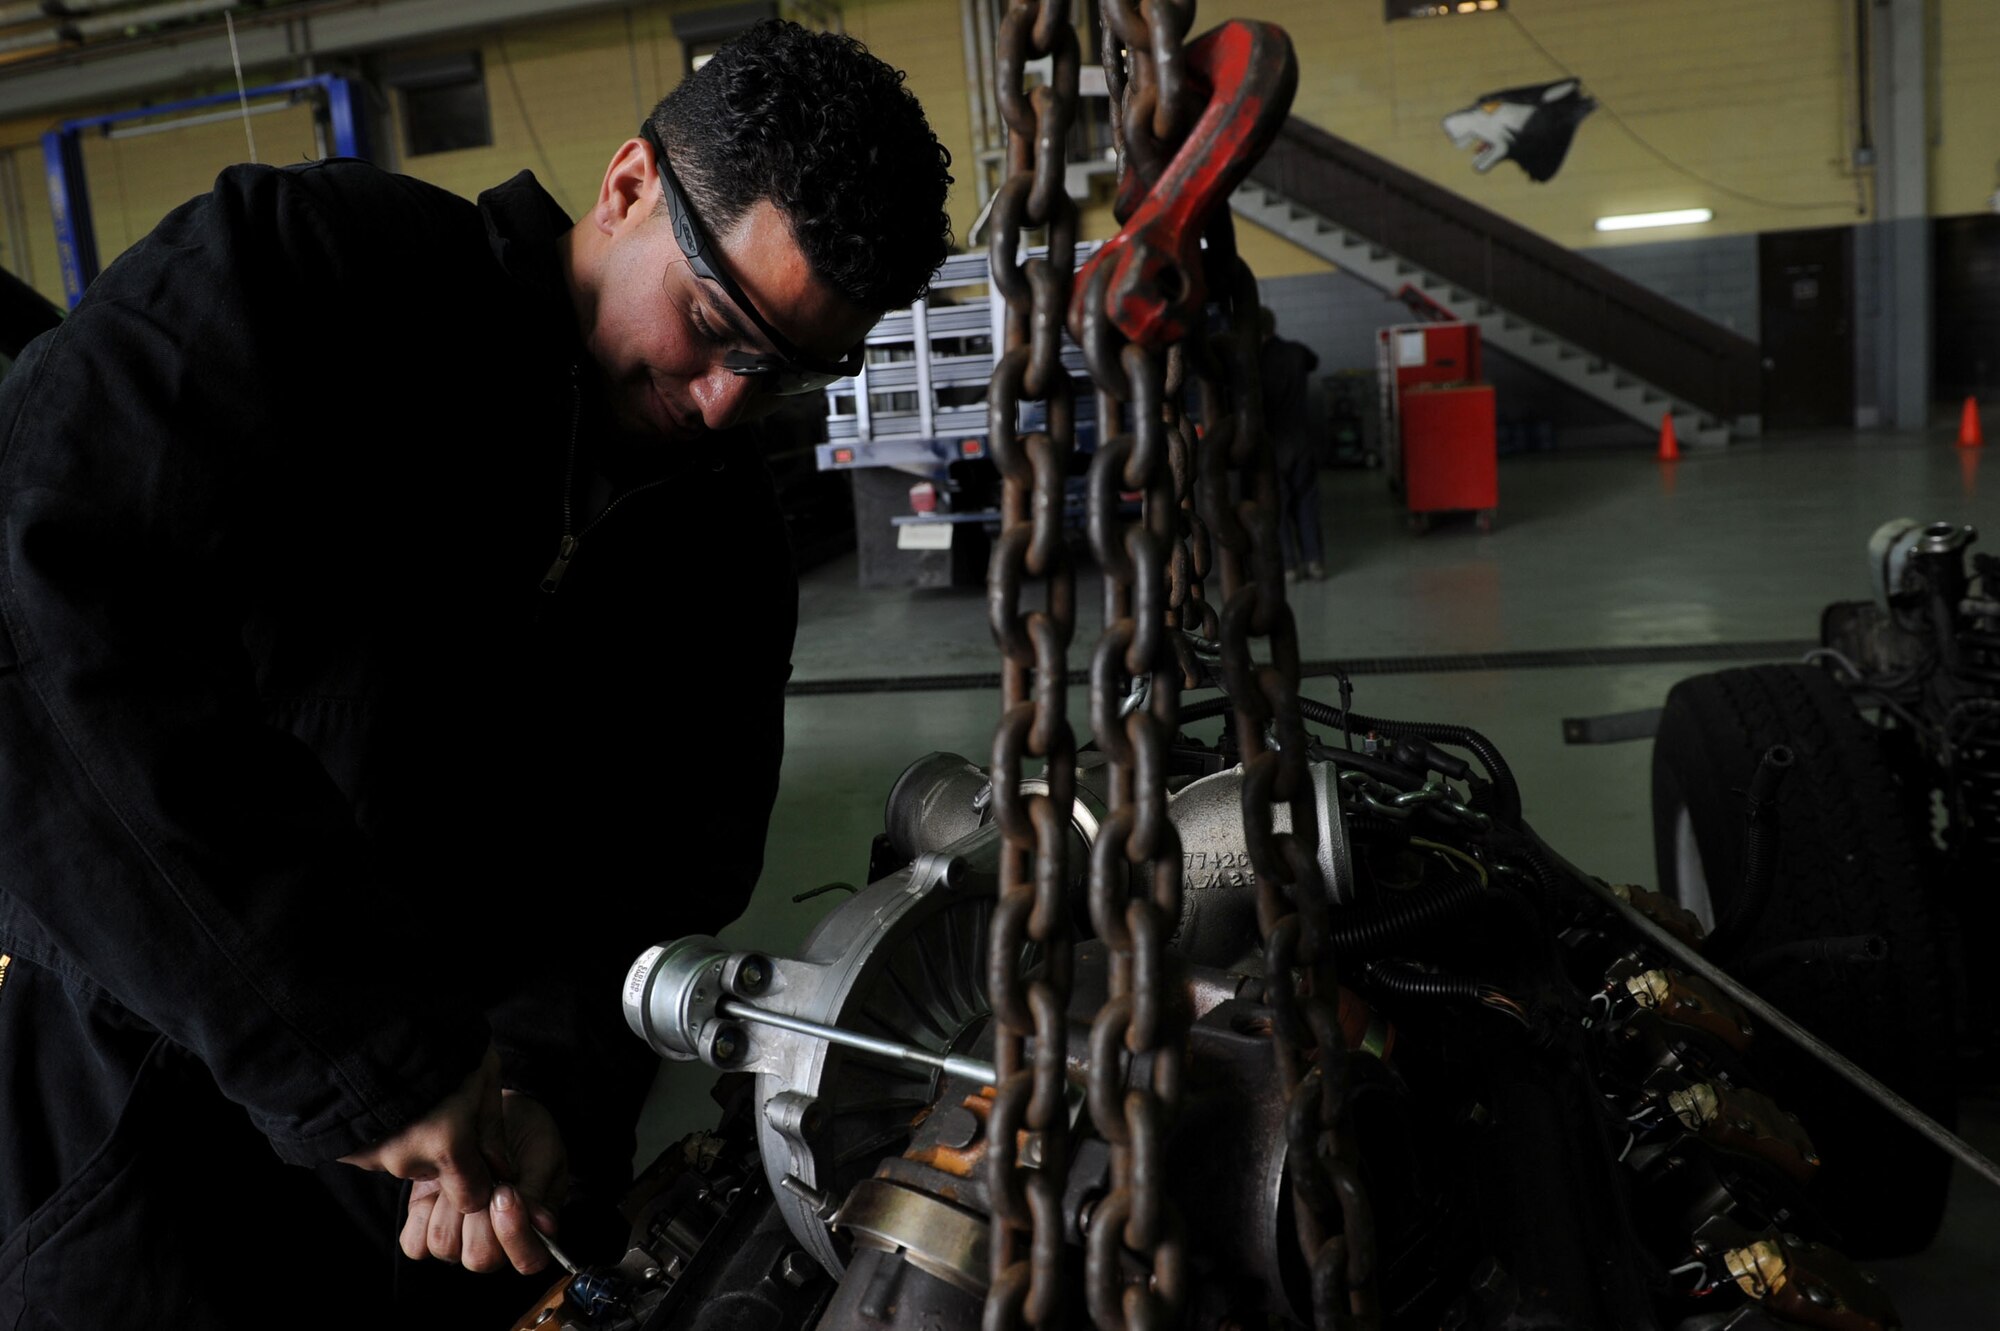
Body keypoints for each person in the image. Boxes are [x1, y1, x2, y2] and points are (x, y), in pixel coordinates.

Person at [0, 19, 950, 1327]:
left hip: (463, 1199)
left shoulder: (724, 550)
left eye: (784, 371)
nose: (726, 403)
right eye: (712, 324)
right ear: (628, 185)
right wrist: (363, 1056)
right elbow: (44, 629)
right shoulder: (306, 281)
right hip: (150, 1132)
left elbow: (661, 874)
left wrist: (549, 1085)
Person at [1259, 307, 1325, 580]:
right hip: (1302, 439)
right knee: (1306, 501)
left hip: (1273, 442)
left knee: (1279, 506)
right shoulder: (1297, 352)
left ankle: (1289, 565)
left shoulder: (1253, 361)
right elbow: (1313, 361)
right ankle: (1315, 561)